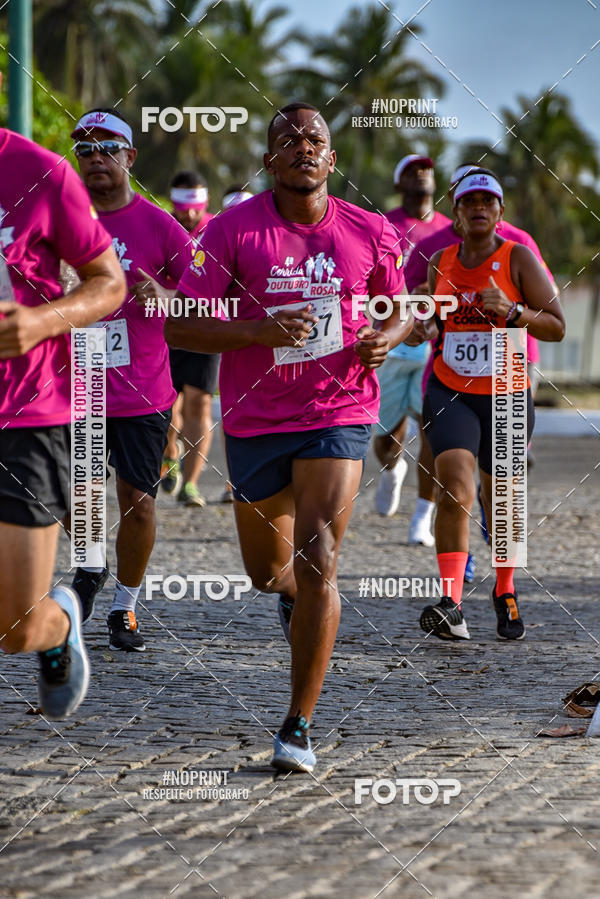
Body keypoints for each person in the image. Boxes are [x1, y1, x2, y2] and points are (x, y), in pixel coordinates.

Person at [166, 102, 412, 772]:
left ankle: (298, 724)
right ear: (270, 160)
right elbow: (179, 325)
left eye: (316, 140)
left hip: (340, 410)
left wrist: (384, 338)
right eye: (288, 139)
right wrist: (258, 330)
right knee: (268, 571)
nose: (303, 146)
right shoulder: (230, 230)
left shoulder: (367, 229)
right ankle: (296, 601)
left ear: (331, 159)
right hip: (254, 420)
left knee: (319, 555)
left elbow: (404, 308)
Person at [0, 122, 125, 718]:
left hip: (25, 417)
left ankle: (58, 625)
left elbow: (109, 284)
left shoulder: (41, 173)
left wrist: (40, 322)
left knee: (14, 629)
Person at [408, 171, 564, 642]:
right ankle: (452, 602)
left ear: (499, 211)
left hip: (507, 393)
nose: (478, 207)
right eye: (468, 201)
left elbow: (555, 325)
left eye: (487, 201)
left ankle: (505, 588)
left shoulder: (518, 258)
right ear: (455, 212)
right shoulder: (440, 262)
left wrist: (513, 311)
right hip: (449, 390)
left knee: (502, 502)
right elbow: (429, 324)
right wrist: (423, 328)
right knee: (454, 487)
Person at [68, 108, 191, 652]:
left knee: (137, 503)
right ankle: (90, 564)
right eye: (86, 150)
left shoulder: (161, 225)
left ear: (129, 157)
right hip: (77, 385)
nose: (96, 157)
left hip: (143, 391)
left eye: (107, 148)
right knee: (78, 496)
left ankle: (125, 607)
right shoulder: (63, 219)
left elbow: (206, 297)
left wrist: (168, 298)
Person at [375, 155, 451, 528]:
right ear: (397, 182)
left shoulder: (451, 230)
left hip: (432, 342)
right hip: (388, 340)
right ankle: (391, 467)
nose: (421, 175)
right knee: (384, 435)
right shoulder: (382, 225)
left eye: (426, 170)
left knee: (431, 427)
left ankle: (423, 515)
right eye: (411, 170)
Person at [161, 171, 218, 507]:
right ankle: (170, 451)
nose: (191, 213)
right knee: (167, 404)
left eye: (197, 204)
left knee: (201, 403)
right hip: (167, 329)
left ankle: (192, 484)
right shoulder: (161, 225)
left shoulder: (217, 228)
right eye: (184, 205)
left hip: (208, 327)